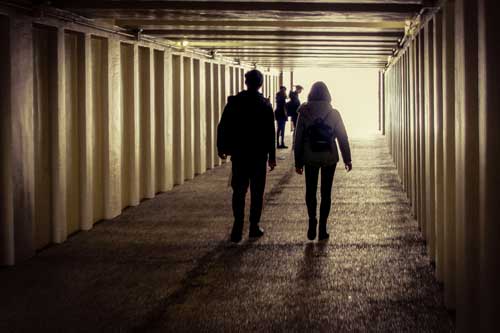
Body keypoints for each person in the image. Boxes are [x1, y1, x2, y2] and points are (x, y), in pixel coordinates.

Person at [217, 69, 277, 243]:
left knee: (239, 191)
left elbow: (223, 126)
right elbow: (270, 133)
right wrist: (272, 157)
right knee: (257, 193)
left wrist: (221, 147)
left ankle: (237, 228)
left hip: (240, 154)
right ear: (260, 84)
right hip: (258, 156)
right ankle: (253, 227)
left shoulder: (234, 102)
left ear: (246, 82)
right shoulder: (265, 105)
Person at [293, 81, 352, 241]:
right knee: (326, 193)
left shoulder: (304, 112)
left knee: (310, 191)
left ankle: (312, 220)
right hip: (329, 157)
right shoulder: (334, 113)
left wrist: (298, 162)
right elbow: (342, 137)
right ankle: (323, 228)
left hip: (310, 157)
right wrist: (347, 159)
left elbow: (297, 139)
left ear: (311, 94)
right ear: (327, 95)